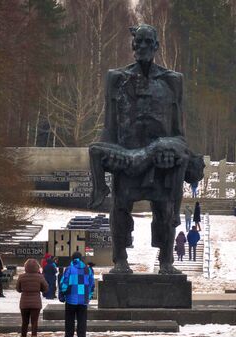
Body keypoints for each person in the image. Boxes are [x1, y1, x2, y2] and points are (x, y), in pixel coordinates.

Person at [87, 24, 204, 275]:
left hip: (161, 163)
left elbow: (179, 134)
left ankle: (166, 261)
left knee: (165, 210)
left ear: (156, 46)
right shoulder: (116, 78)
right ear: (132, 46)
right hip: (127, 158)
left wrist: (171, 148)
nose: (142, 47)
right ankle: (120, 260)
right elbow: (109, 129)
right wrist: (108, 156)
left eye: (147, 43)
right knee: (119, 208)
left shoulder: (173, 81)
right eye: (138, 42)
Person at [60, 252, 95, 337]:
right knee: (82, 321)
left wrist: (62, 293)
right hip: (83, 299)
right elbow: (92, 284)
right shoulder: (88, 269)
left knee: (69, 320)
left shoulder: (69, 269)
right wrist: (89, 295)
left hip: (71, 298)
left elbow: (64, 282)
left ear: (72, 259)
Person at [16, 258, 48, 337]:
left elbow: (18, 289)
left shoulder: (21, 277)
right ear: (37, 267)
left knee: (24, 322)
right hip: (36, 303)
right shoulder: (39, 277)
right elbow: (45, 288)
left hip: (24, 302)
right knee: (34, 322)